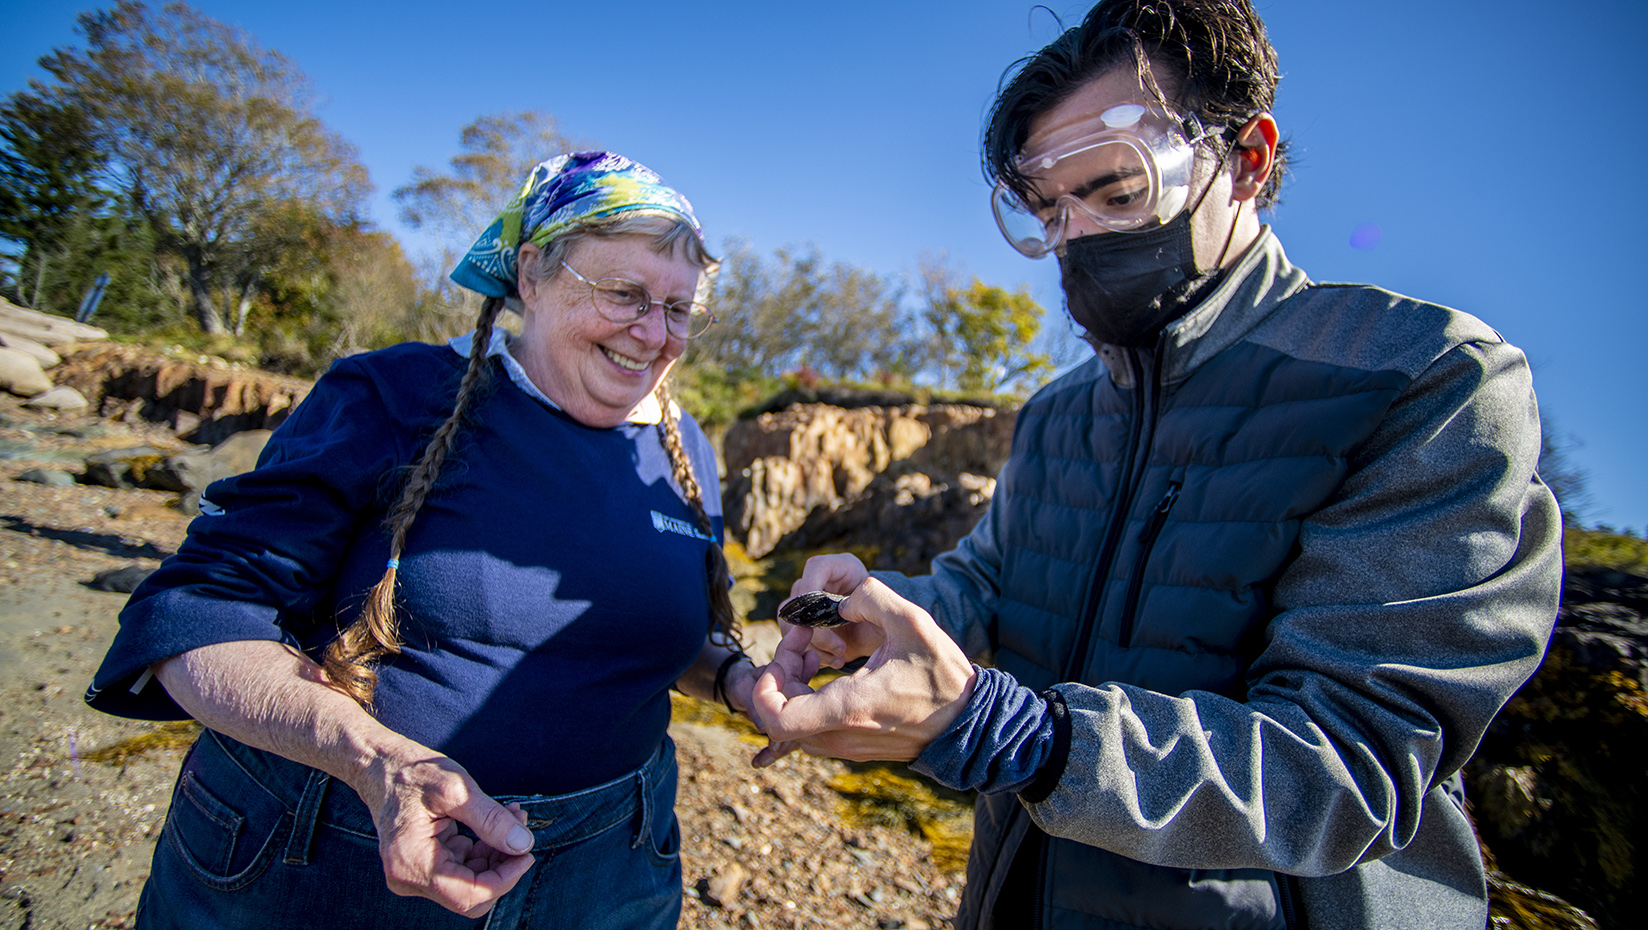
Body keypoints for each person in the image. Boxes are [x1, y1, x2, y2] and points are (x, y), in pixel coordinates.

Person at [750, 3, 1563, 929]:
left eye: (1118, 192)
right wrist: (869, 614)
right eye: (1048, 208)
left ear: (1248, 161)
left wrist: (1021, 737)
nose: (1078, 238)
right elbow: (985, 585)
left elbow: (1349, 766)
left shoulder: (1422, 378)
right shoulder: (1059, 413)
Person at [85, 151, 767, 929]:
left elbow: (668, 636)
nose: (655, 335)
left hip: (610, 867)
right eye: (624, 294)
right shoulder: (392, 394)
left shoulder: (684, 450)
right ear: (533, 273)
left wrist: (743, 684)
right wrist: (379, 766)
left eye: (679, 308)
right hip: (332, 849)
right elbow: (199, 617)